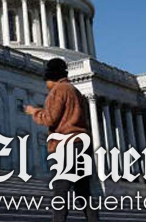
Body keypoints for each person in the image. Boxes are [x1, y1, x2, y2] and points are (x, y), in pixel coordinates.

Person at [25, 58, 99, 222]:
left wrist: (34, 112)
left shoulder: (58, 90)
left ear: (51, 78)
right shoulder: (75, 91)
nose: (46, 85)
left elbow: (50, 119)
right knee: (83, 192)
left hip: (67, 145)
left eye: (46, 81)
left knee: (60, 191)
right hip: (82, 144)